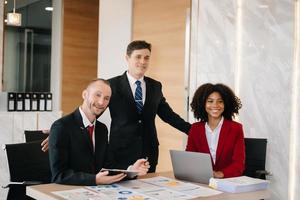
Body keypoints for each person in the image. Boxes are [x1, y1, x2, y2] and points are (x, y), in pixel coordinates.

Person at [107, 40, 191, 172]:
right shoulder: (111, 85)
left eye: (146, 58)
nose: (143, 61)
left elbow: (168, 115)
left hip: (148, 152)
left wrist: (194, 131)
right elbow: (95, 111)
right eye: (138, 57)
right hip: (120, 152)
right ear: (127, 58)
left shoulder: (155, 86)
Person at [48, 79, 149, 185]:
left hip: (95, 192)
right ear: (85, 94)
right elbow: (59, 175)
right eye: (97, 95)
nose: (101, 102)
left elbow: (108, 165)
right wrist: (94, 179)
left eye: (106, 98)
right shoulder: (61, 127)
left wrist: (131, 169)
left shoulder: (102, 129)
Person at [186, 83, 245, 178]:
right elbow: (190, 159)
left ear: (226, 104)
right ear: (202, 103)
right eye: (210, 101)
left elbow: (238, 164)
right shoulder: (195, 129)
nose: (215, 105)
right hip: (202, 181)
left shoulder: (236, 128)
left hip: (227, 182)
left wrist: (221, 174)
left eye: (220, 101)